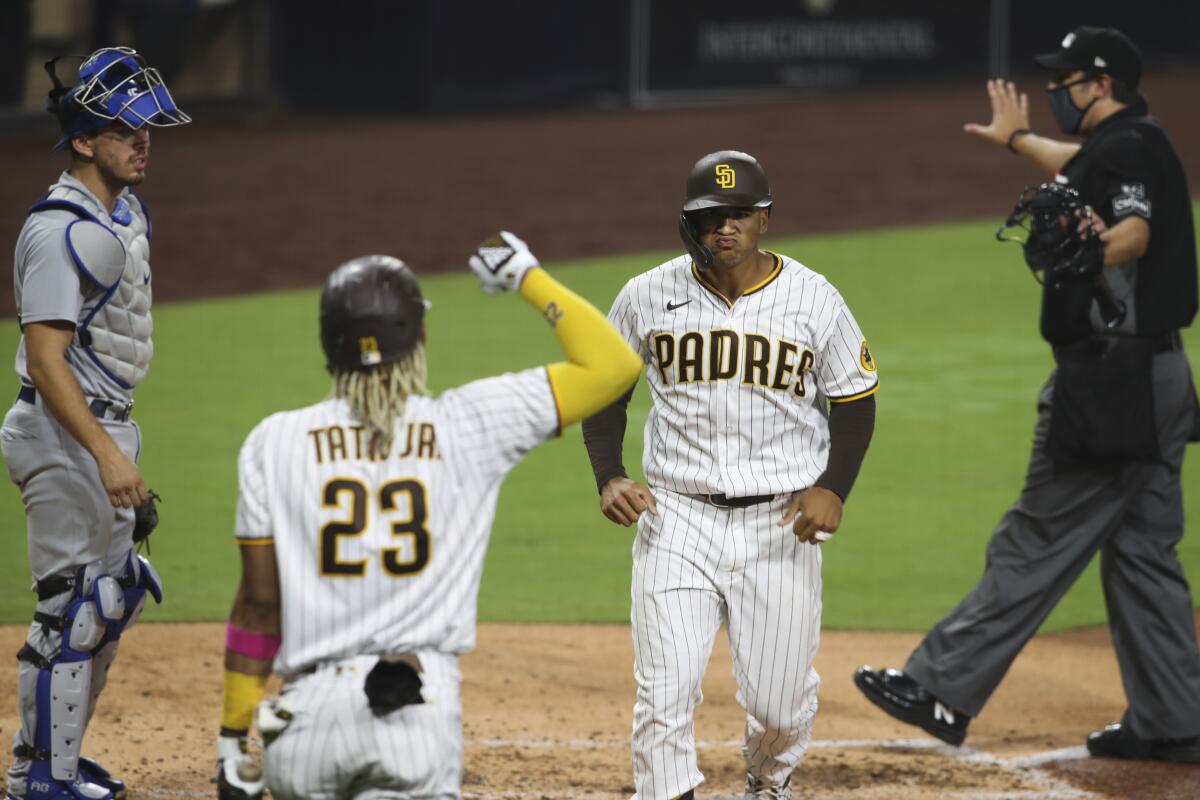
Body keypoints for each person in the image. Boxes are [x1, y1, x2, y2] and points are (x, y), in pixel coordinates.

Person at [854, 25, 1200, 763]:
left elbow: (1134, 227)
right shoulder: (1132, 143)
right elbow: (1082, 164)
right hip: (1161, 378)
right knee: (1142, 553)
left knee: (1040, 533)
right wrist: (1016, 141)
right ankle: (1174, 720)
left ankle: (940, 685)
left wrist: (1095, 247)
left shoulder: (1132, 150)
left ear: (1102, 83)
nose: (1055, 93)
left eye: (1067, 80)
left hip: (1113, 382)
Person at [214, 233, 642, 800]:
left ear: (327, 343)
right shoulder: (469, 424)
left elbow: (259, 606)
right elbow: (613, 366)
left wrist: (230, 739)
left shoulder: (273, 441)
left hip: (303, 723)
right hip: (414, 716)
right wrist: (525, 277)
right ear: (420, 335)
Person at [581, 151, 879, 800]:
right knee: (664, 692)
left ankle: (769, 782)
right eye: (711, 216)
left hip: (780, 523)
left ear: (764, 220)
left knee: (779, 707)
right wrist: (609, 474)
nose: (725, 229)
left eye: (739, 215)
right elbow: (604, 391)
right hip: (676, 518)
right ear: (689, 222)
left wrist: (834, 485)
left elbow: (854, 397)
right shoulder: (646, 295)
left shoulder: (813, 297)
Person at [2, 47, 189, 800]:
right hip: (62, 435)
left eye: (147, 130)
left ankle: (47, 761)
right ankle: (42, 782)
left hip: (104, 426)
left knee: (115, 597)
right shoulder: (57, 230)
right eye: (126, 130)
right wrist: (109, 454)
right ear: (84, 140)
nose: (144, 142)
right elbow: (46, 361)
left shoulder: (124, 210)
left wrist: (118, 445)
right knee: (73, 610)